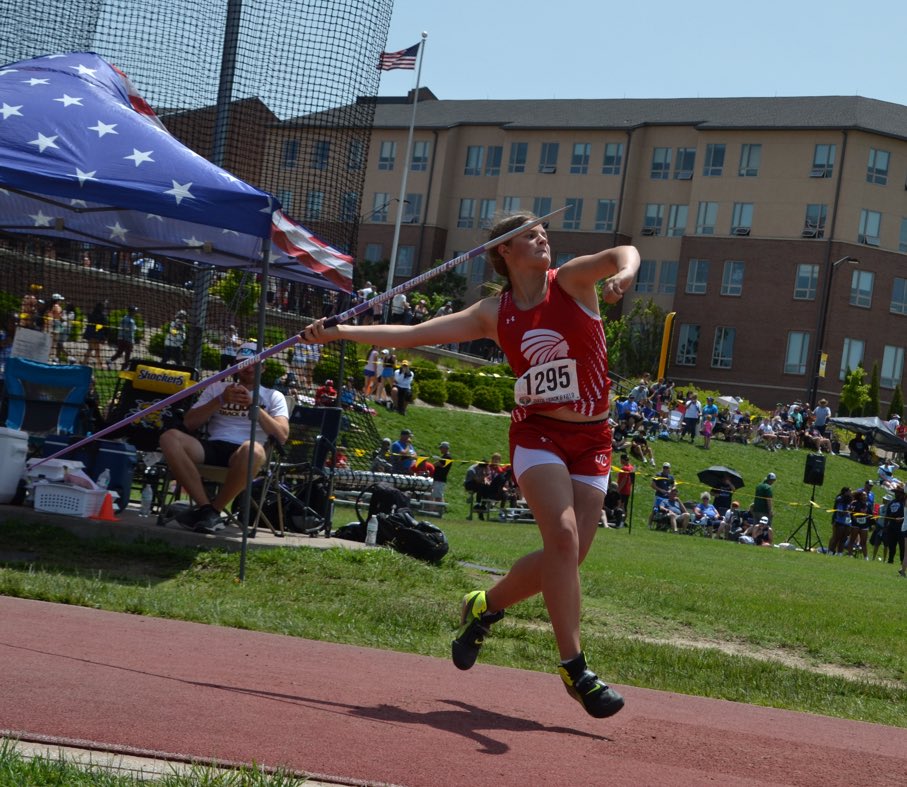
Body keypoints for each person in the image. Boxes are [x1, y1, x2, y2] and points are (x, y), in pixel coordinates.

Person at [300, 210, 639, 719]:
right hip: (538, 434)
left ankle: (484, 607)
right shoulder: (491, 313)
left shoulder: (569, 281)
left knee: (566, 558)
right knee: (563, 539)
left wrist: (625, 276)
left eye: (543, 231)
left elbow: (623, 252)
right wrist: (341, 332)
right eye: (530, 234)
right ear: (504, 251)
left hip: (594, 438)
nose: (542, 237)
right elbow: (413, 335)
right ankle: (575, 667)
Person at [158, 342, 289, 533]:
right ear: (236, 366)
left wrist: (255, 407)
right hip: (211, 446)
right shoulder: (216, 388)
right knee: (169, 438)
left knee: (252, 449)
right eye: (244, 363)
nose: (249, 367)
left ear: (264, 366)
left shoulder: (273, 396)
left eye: (255, 363)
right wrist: (220, 400)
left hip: (246, 454)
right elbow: (189, 423)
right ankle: (206, 509)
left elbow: (282, 436)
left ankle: (213, 510)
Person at [108, 305, 138, 370]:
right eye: (135, 311)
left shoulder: (125, 318)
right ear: (131, 312)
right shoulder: (130, 321)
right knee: (127, 354)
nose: (135, 312)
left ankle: (110, 361)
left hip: (121, 339)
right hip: (127, 340)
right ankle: (125, 368)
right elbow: (129, 330)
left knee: (120, 352)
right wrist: (131, 342)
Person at [81, 301, 108, 366]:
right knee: (96, 350)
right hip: (96, 335)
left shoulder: (91, 314)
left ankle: (84, 362)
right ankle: (100, 364)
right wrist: (104, 338)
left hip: (90, 334)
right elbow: (104, 327)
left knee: (90, 349)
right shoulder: (102, 316)